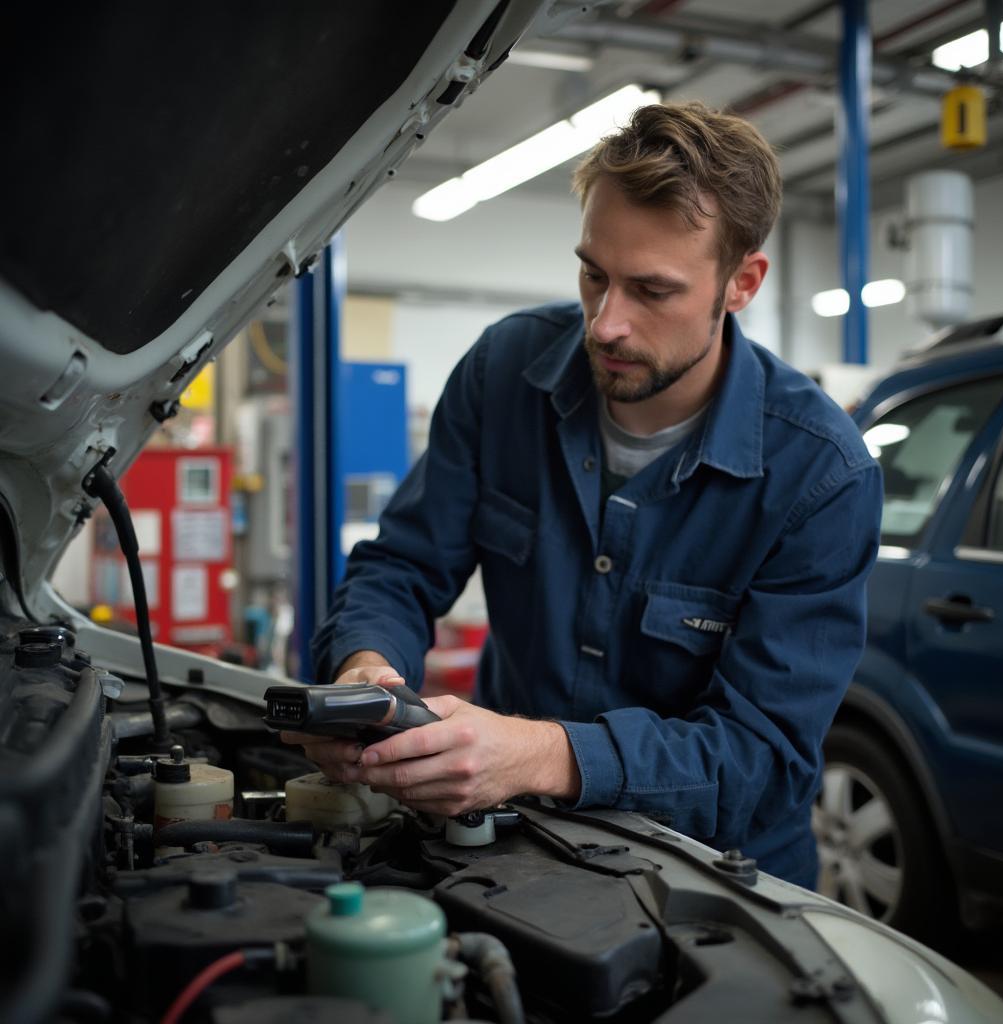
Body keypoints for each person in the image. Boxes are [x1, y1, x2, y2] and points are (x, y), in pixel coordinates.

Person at [281, 101, 883, 888]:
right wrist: (366, 674)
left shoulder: (821, 476)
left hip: (719, 887)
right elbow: (401, 566)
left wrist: (538, 754)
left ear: (740, 283)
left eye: (651, 290)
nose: (606, 323)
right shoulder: (506, 372)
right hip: (513, 847)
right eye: (594, 274)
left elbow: (759, 757)